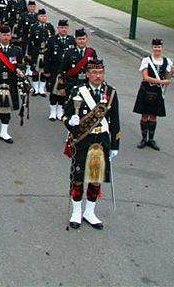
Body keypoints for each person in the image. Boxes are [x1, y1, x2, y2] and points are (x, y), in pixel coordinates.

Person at [63, 59, 120, 230]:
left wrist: (115, 145)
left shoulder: (110, 93)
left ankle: (90, 211)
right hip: (83, 140)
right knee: (79, 179)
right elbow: (65, 115)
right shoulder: (78, 91)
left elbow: (115, 120)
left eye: (101, 72)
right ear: (87, 74)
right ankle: (76, 211)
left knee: (96, 179)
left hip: (101, 141)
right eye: (94, 73)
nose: (98, 76)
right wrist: (71, 123)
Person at [133, 38, 174, 150]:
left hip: (157, 91)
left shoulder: (167, 61)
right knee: (144, 114)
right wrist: (161, 82)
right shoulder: (146, 60)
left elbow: (167, 78)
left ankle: (151, 139)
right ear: (152, 47)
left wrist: (171, 72)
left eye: (159, 47)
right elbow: (145, 77)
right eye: (155, 47)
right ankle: (143, 139)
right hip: (146, 89)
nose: (157, 49)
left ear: (162, 48)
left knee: (153, 115)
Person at [43, 19, 74, 121]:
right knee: (53, 90)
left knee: (62, 91)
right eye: (61, 28)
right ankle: (52, 111)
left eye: (65, 28)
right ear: (58, 28)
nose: (63, 30)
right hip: (54, 69)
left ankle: (60, 110)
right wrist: (46, 70)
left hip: (66, 71)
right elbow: (47, 56)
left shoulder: (71, 40)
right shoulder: (52, 40)